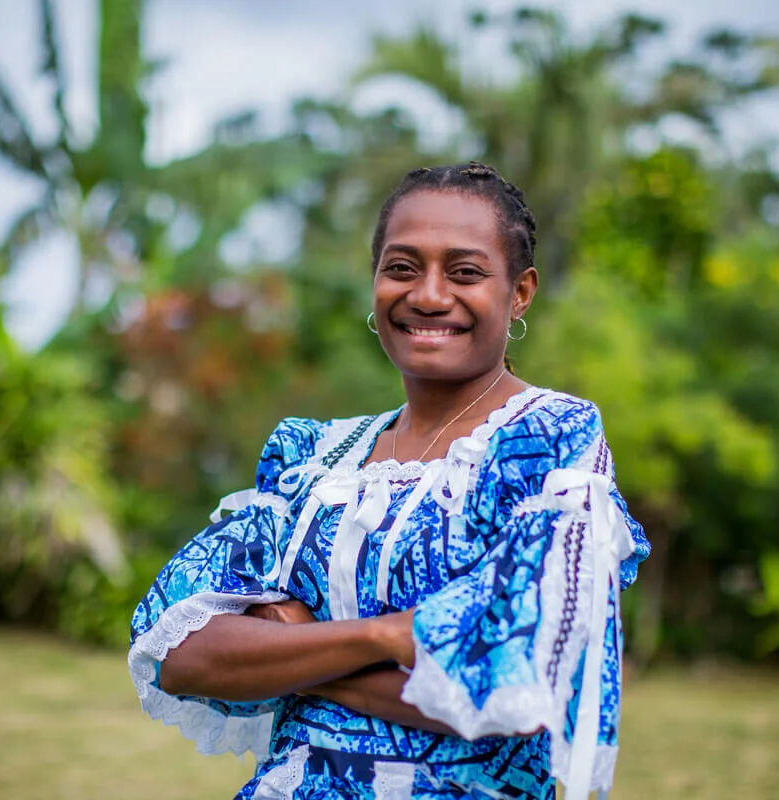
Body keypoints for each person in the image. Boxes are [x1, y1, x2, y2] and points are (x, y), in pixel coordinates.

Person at [128, 162, 650, 799]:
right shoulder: (313, 456)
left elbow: (515, 693)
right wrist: (385, 636)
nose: (429, 295)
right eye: (402, 267)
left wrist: (292, 652)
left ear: (520, 293)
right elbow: (182, 653)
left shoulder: (548, 440)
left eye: (465, 272)